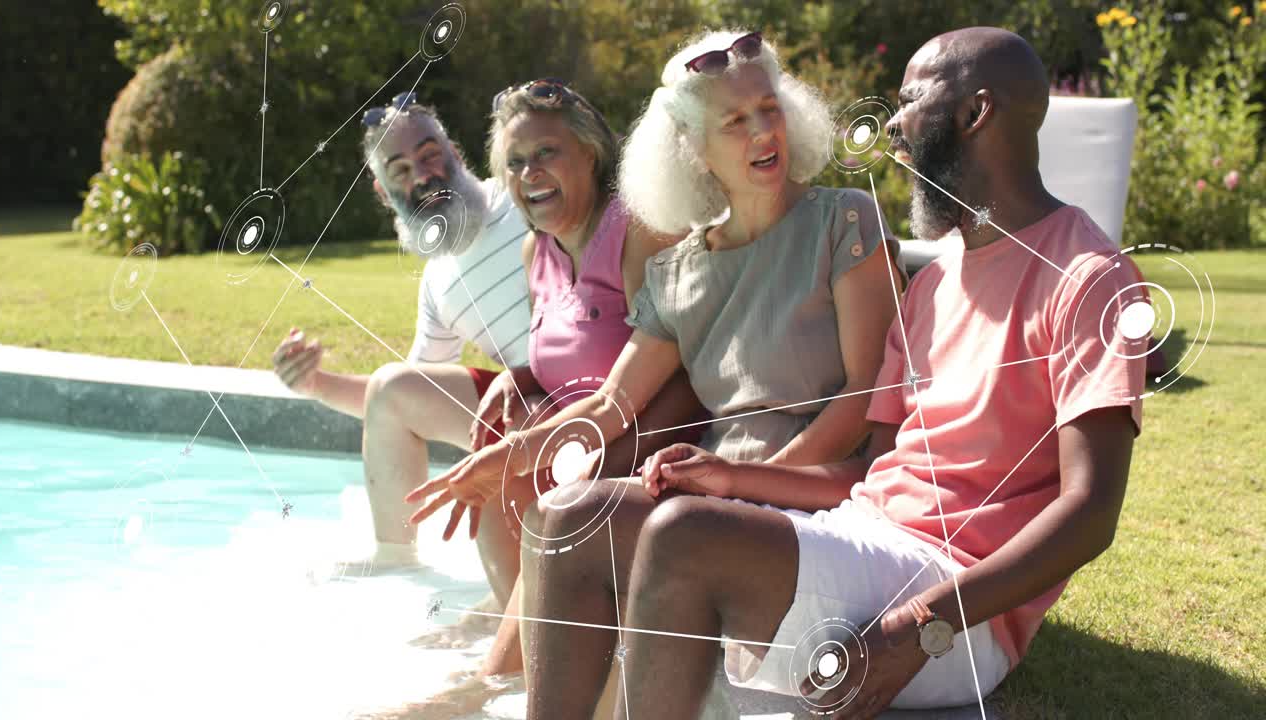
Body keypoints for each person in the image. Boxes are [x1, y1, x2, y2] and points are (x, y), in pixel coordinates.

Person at [521, 27, 1150, 719]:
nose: (894, 127)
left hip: (956, 611)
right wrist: (734, 482)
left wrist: (920, 627)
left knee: (681, 536)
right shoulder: (935, 284)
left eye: (910, 100)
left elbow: (1090, 514)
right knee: (570, 517)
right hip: (866, 542)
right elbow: (870, 476)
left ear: (974, 114)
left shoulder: (1090, 279)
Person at [403, 30, 903, 716]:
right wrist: (507, 457)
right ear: (693, 148)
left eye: (769, 108)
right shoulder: (677, 273)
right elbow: (611, 402)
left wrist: (754, 489)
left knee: (603, 523)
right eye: (735, 120)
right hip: (718, 508)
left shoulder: (843, 220)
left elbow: (868, 393)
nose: (763, 132)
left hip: (814, 503)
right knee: (563, 515)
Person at [270, 92, 530, 574]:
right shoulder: (438, 281)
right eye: (401, 170)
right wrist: (316, 385)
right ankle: (395, 560)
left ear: (454, 150)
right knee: (392, 392)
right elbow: (401, 395)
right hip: (529, 409)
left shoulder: (521, 202)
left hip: (583, 394)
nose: (423, 176)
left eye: (430, 155)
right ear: (381, 188)